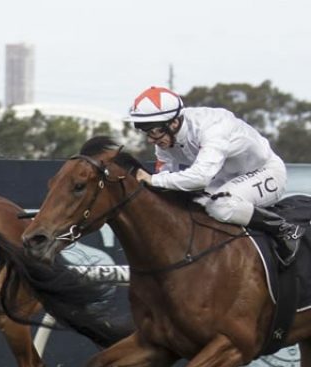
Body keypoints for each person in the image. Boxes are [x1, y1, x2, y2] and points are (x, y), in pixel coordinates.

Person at [128, 86, 304, 266]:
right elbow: (165, 176)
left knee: (221, 206)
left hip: (266, 172)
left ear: (173, 123)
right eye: (145, 131)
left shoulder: (212, 127)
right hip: (225, 178)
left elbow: (200, 178)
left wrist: (153, 179)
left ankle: (284, 229)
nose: (150, 139)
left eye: (153, 130)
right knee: (191, 207)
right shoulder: (165, 139)